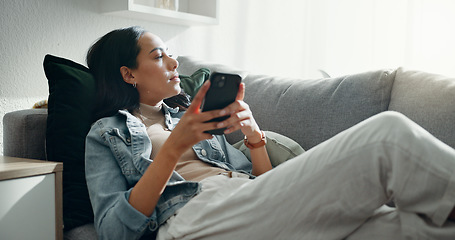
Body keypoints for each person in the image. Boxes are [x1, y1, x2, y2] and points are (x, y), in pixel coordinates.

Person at [84, 26, 455, 240]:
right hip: (192, 219)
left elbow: (261, 180)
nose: (174, 62)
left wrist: (253, 135)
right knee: (386, 136)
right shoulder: (108, 133)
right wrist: (173, 148)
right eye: (158, 55)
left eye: (170, 54)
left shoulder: (190, 115)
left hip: (247, 202)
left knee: (405, 227)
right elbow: (114, 231)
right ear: (128, 73)